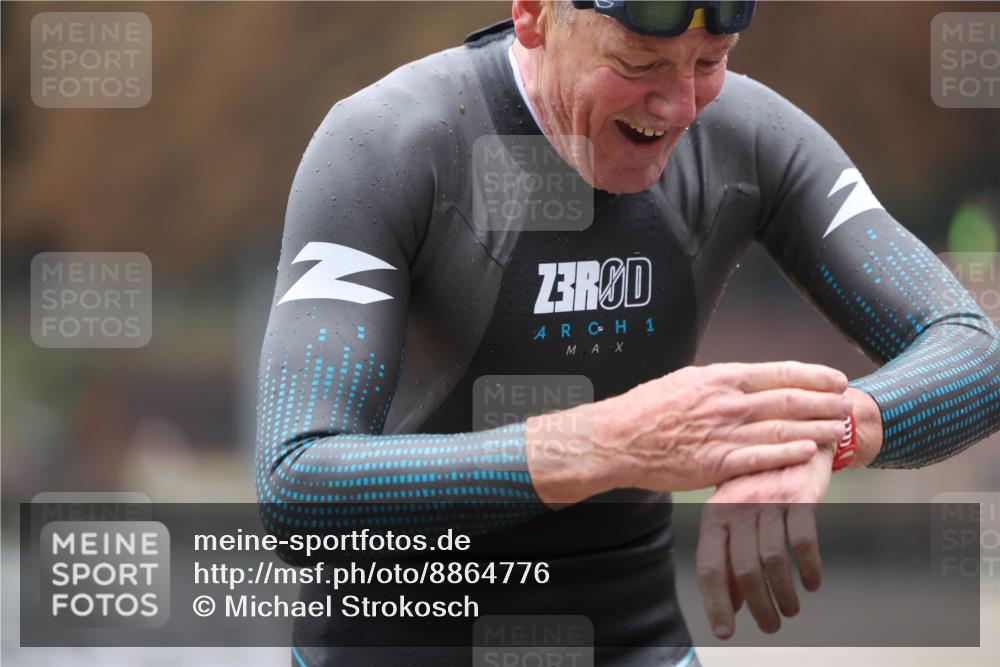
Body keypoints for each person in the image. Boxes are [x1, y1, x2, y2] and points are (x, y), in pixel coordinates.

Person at [255, 2, 1000, 665]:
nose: (679, 106)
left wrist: (816, 432)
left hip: (634, 641)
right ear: (533, 15)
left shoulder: (750, 136)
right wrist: (612, 443)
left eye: (709, 63)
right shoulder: (388, 142)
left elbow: (979, 353)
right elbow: (296, 486)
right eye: (638, 64)